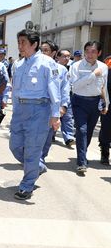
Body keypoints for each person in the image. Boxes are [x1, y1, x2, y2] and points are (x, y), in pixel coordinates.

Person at [10, 29, 60, 200]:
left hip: (40, 110)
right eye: (19, 42)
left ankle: (26, 186)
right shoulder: (18, 64)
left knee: (32, 149)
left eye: (23, 42)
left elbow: (54, 89)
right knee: (15, 146)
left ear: (34, 44)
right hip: (20, 109)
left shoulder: (47, 63)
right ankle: (37, 166)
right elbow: (15, 90)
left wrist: (55, 115)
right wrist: (14, 110)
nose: (20, 46)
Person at [69, 41, 109, 175]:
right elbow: (75, 86)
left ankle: (82, 154)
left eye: (93, 51)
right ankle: (81, 162)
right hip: (79, 101)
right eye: (87, 51)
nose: (90, 54)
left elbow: (103, 86)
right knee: (82, 130)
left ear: (99, 53)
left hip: (95, 102)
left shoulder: (103, 67)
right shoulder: (76, 66)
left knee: (89, 131)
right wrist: (93, 75)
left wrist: (105, 103)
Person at [38, 40, 71, 175]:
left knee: (47, 138)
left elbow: (65, 90)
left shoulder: (61, 70)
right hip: (36, 108)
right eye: (41, 50)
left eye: (46, 50)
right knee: (33, 137)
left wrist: (63, 106)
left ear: (53, 53)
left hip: (52, 110)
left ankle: (40, 160)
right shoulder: (35, 67)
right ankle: (35, 161)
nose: (42, 53)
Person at [56, 49, 75, 146]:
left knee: (68, 117)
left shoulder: (73, 68)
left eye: (68, 56)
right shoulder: (53, 68)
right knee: (54, 117)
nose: (67, 58)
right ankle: (51, 135)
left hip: (68, 96)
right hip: (55, 97)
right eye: (64, 56)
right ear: (58, 57)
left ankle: (69, 137)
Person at [99, 55, 111, 164]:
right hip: (108, 103)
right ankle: (105, 153)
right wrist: (104, 103)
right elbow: (103, 86)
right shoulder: (108, 63)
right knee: (106, 129)